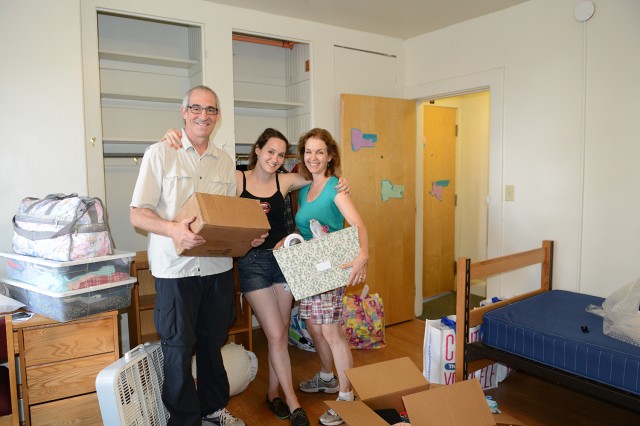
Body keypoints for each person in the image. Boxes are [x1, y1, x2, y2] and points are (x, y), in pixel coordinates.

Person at [161, 127, 349, 426]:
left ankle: (273, 391)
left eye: (280, 153)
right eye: (269, 151)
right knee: (274, 334)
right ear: (258, 150)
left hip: (285, 260)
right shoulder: (237, 178)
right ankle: (292, 401)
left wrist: (339, 183)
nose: (274, 158)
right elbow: (214, 201)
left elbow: (318, 176)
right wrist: (172, 141)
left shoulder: (285, 180)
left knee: (282, 332)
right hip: (253, 264)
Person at [130, 85, 262, 426]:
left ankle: (212, 408)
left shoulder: (225, 162)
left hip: (217, 269)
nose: (204, 115)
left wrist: (251, 235)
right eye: (197, 108)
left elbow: (227, 218)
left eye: (211, 110)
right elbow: (137, 214)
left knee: (212, 343)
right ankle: (185, 419)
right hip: (176, 271)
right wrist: (174, 230)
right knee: (176, 347)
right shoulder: (160, 153)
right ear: (184, 111)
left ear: (218, 117)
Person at [293, 128, 369, 426]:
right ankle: (327, 378)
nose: (313, 157)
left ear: (329, 157)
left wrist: (363, 255)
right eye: (308, 151)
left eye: (319, 152)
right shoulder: (303, 190)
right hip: (311, 269)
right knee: (314, 327)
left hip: (332, 268)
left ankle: (346, 398)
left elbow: (358, 223)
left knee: (331, 333)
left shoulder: (335, 187)